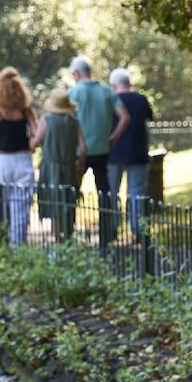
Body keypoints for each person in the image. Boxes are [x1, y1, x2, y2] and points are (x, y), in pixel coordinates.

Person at [67, 56, 130, 247]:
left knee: (71, 194)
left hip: (80, 153)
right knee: (105, 195)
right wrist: (112, 139)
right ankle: (106, 238)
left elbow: (69, 121)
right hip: (103, 151)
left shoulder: (73, 93)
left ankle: (69, 237)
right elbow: (125, 118)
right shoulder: (106, 91)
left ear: (77, 74)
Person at [0, 67, 38, 245]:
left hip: (1, 161)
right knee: (21, 207)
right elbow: (37, 132)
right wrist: (32, 145)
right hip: (22, 160)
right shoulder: (26, 111)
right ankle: (17, 246)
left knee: (0, 205)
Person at [32, 90, 87, 241]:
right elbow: (83, 148)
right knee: (68, 202)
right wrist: (79, 165)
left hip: (50, 168)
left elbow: (34, 143)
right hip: (69, 167)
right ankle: (68, 237)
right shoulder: (74, 122)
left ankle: (57, 239)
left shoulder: (46, 120)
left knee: (54, 203)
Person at [107, 68, 154, 239]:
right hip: (138, 152)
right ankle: (139, 230)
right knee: (137, 192)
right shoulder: (141, 99)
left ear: (114, 85)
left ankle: (111, 229)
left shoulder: (111, 99)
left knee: (111, 192)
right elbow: (149, 117)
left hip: (113, 154)